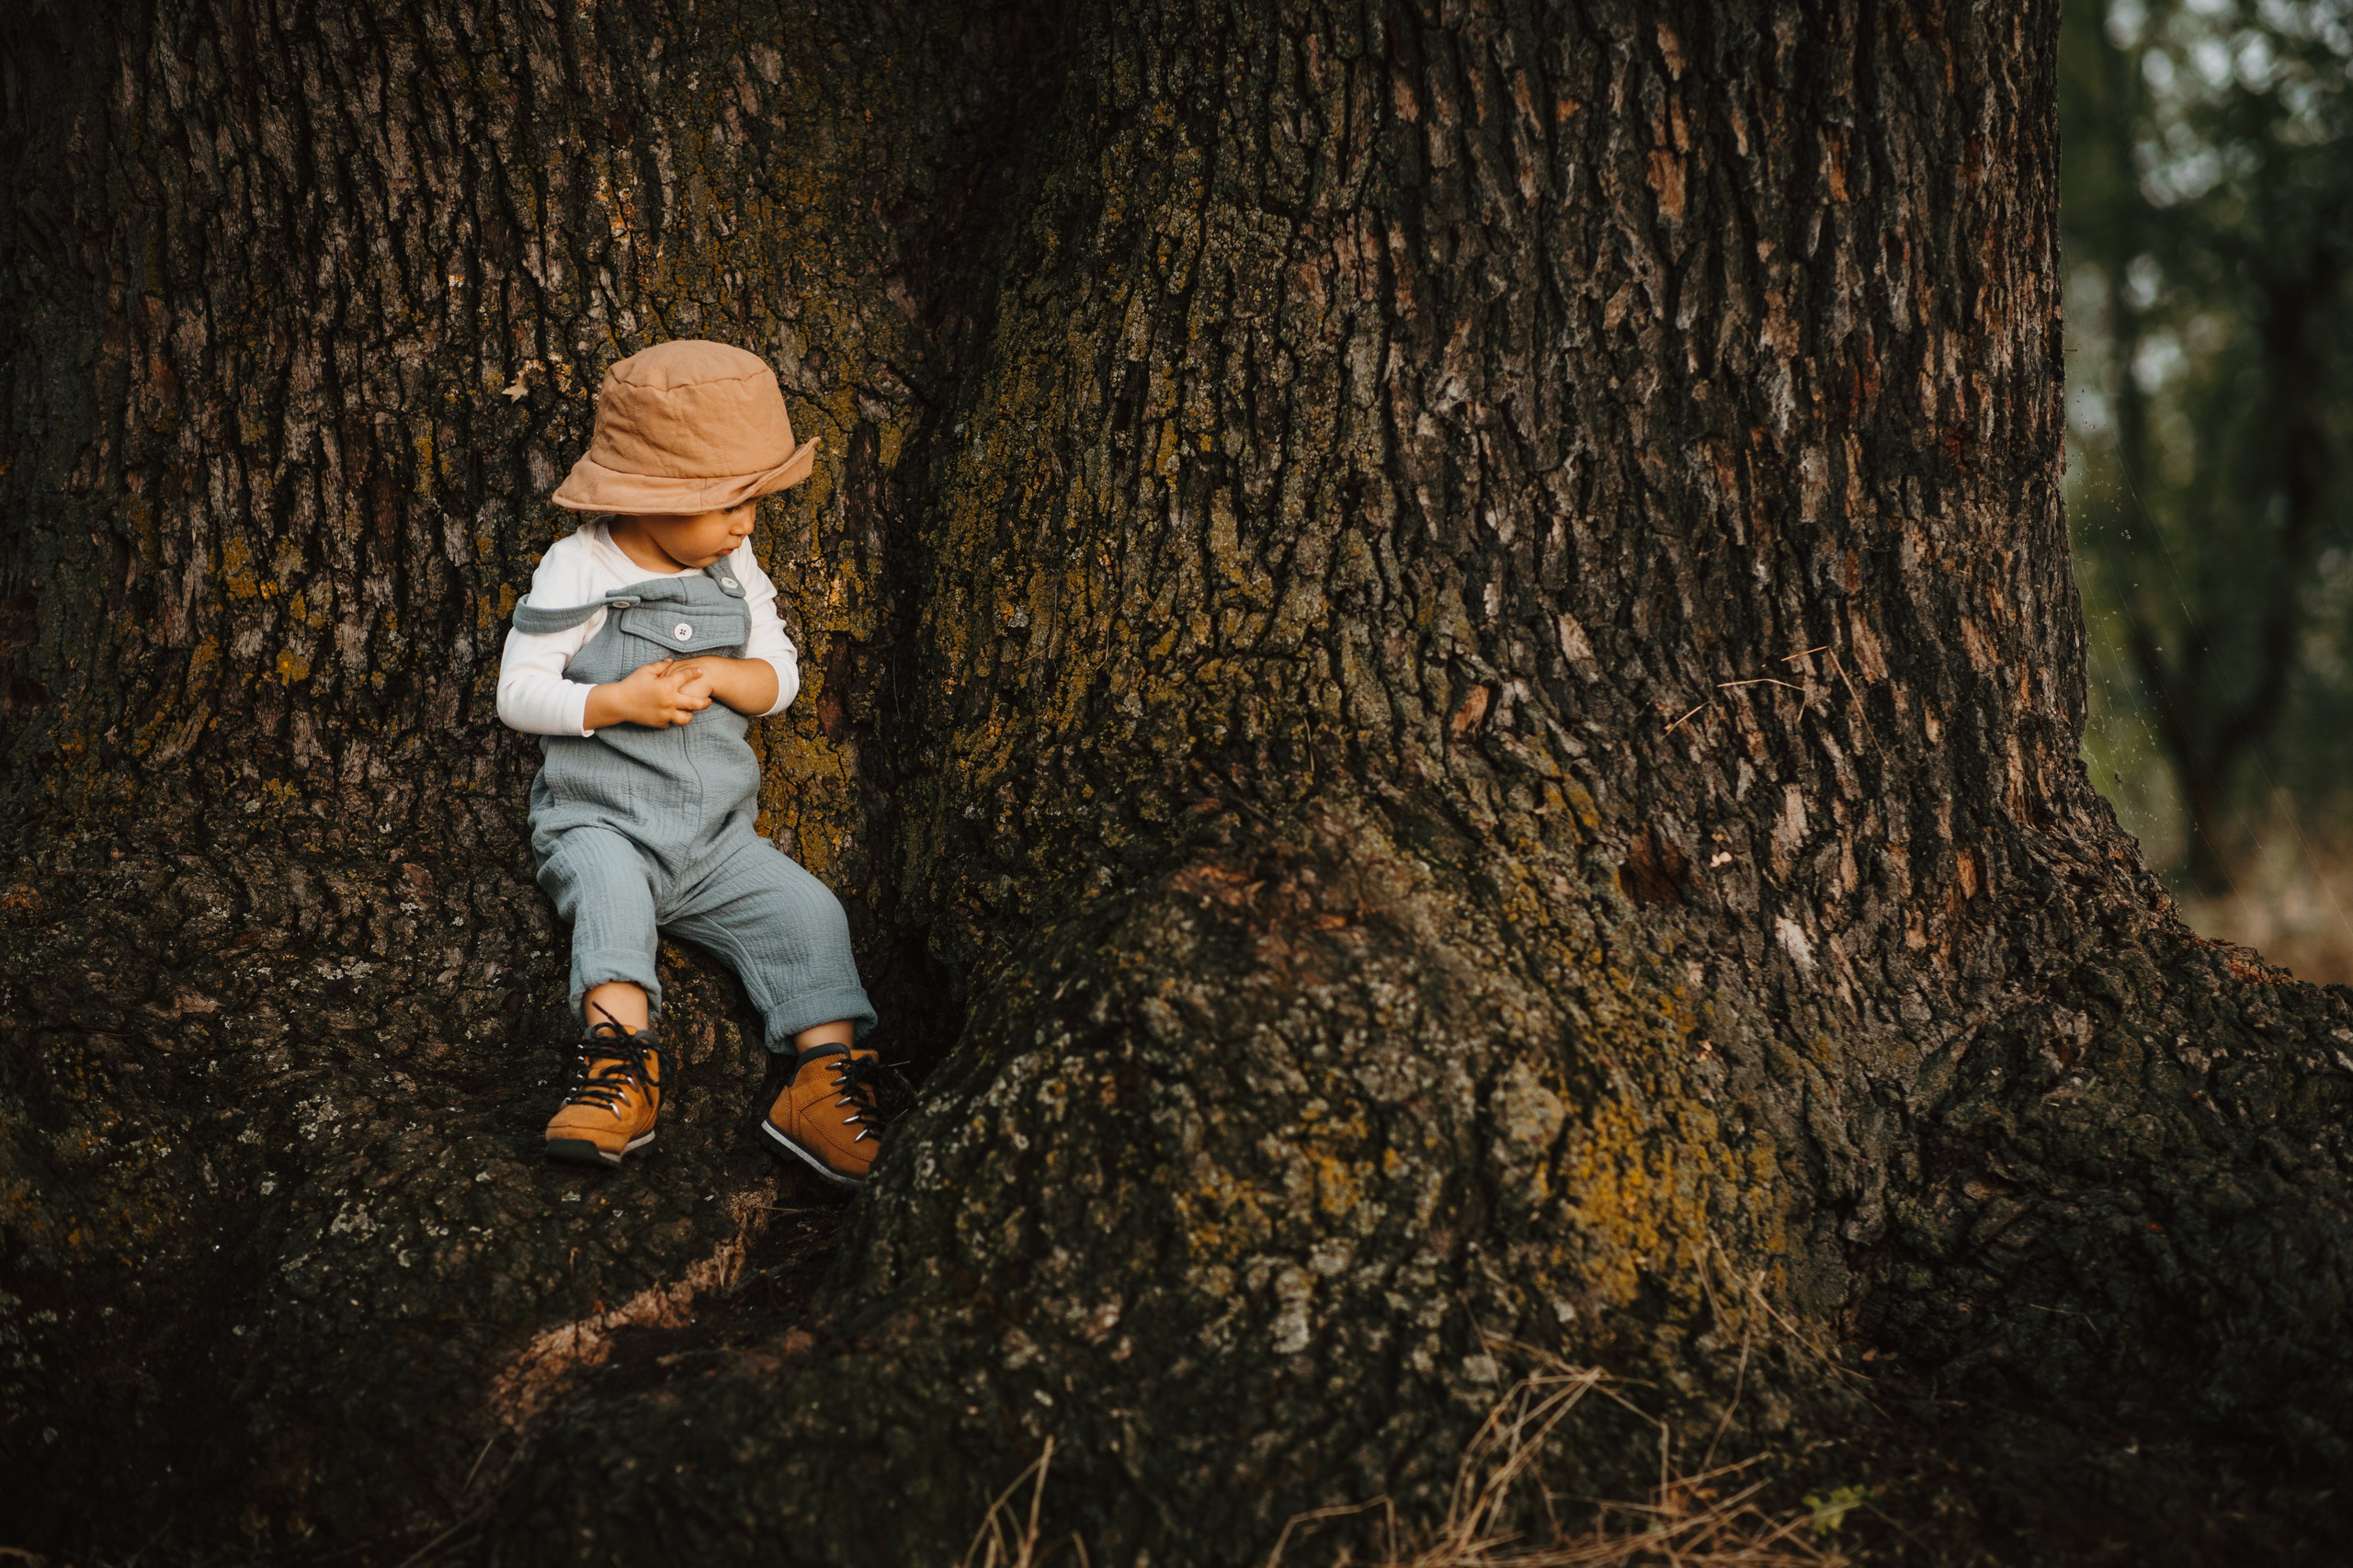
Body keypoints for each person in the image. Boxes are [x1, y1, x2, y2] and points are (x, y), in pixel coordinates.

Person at [495, 339, 888, 1187]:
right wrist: (615, 702)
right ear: (650, 499)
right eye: (728, 504)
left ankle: (822, 1084)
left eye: (754, 503)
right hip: (603, 823)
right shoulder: (581, 566)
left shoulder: (732, 564)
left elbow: (778, 677)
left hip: (715, 842)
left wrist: (720, 675)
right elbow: (518, 693)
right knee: (611, 909)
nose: (747, 524)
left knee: (811, 915)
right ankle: (618, 1067)